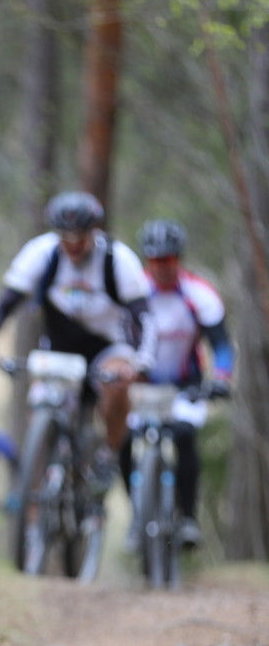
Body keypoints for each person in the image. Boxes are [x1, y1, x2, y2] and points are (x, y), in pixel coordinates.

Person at [0, 191, 157, 490]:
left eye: (79, 238)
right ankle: (44, 489)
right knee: (40, 405)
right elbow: (5, 302)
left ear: (93, 231)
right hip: (59, 347)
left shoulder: (117, 259)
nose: (72, 245)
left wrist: (142, 361)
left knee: (116, 385)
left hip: (107, 345)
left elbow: (145, 318)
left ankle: (108, 455)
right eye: (65, 237)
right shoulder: (41, 253)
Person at [122, 219, 234, 548]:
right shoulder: (133, 293)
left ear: (179, 259)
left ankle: (187, 518)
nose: (162, 267)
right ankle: (136, 516)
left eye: (168, 259)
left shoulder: (199, 294)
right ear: (146, 261)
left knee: (184, 437)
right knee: (125, 441)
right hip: (143, 384)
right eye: (155, 260)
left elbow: (222, 345)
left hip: (186, 384)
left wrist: (222, 378)